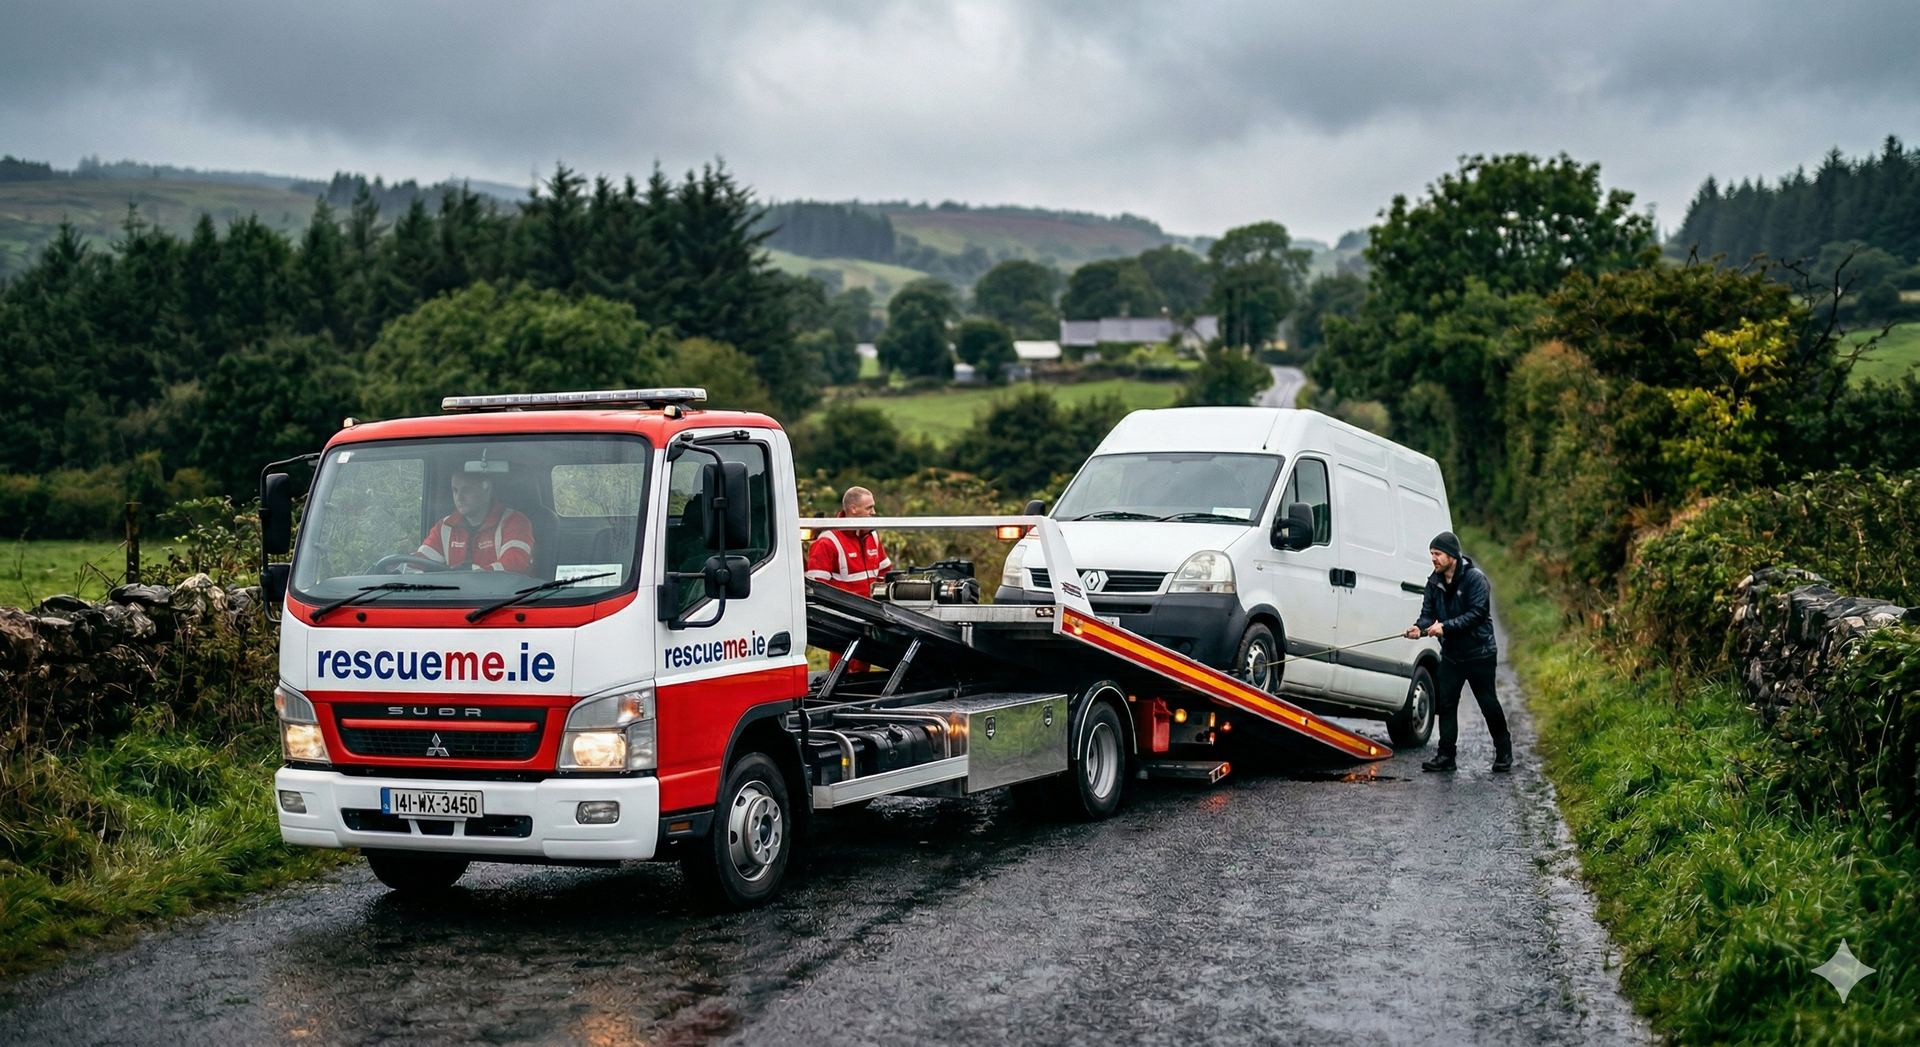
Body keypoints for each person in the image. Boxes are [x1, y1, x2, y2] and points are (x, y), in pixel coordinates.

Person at [1404, 530, 1510, 773]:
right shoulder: (1434, 581)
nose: (1433, 558)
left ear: (1452, 556)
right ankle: (1446, 757)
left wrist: (1445, 627)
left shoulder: (1475, 579)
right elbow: (1428, 614)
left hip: (1479, 653)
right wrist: (1417, 628)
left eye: (1438, 554)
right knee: (1447, 705)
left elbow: (1477, 614)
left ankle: (1504, 752)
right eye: (1431, 553)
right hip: (1451, 655)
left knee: (1488, 703)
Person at [805, 486, 891, 670]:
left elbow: (885, 571)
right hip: (843, 626)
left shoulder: (872, 536)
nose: (873, 512)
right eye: (869, 508)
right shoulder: (827, 542)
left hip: (871, 621)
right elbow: (815, 589)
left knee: (863, 675)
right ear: (853, 509)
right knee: (844, 675)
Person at [417, 470, 536, 574]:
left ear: (487, 488)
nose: (459, 497)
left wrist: (474, 574)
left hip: (507, 598)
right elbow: (419, 560)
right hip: (455, 598)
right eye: (455, 490)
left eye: (466, 490)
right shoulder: (444, 527)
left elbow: (514, 565)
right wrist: (399, 564)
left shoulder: (515, 522)